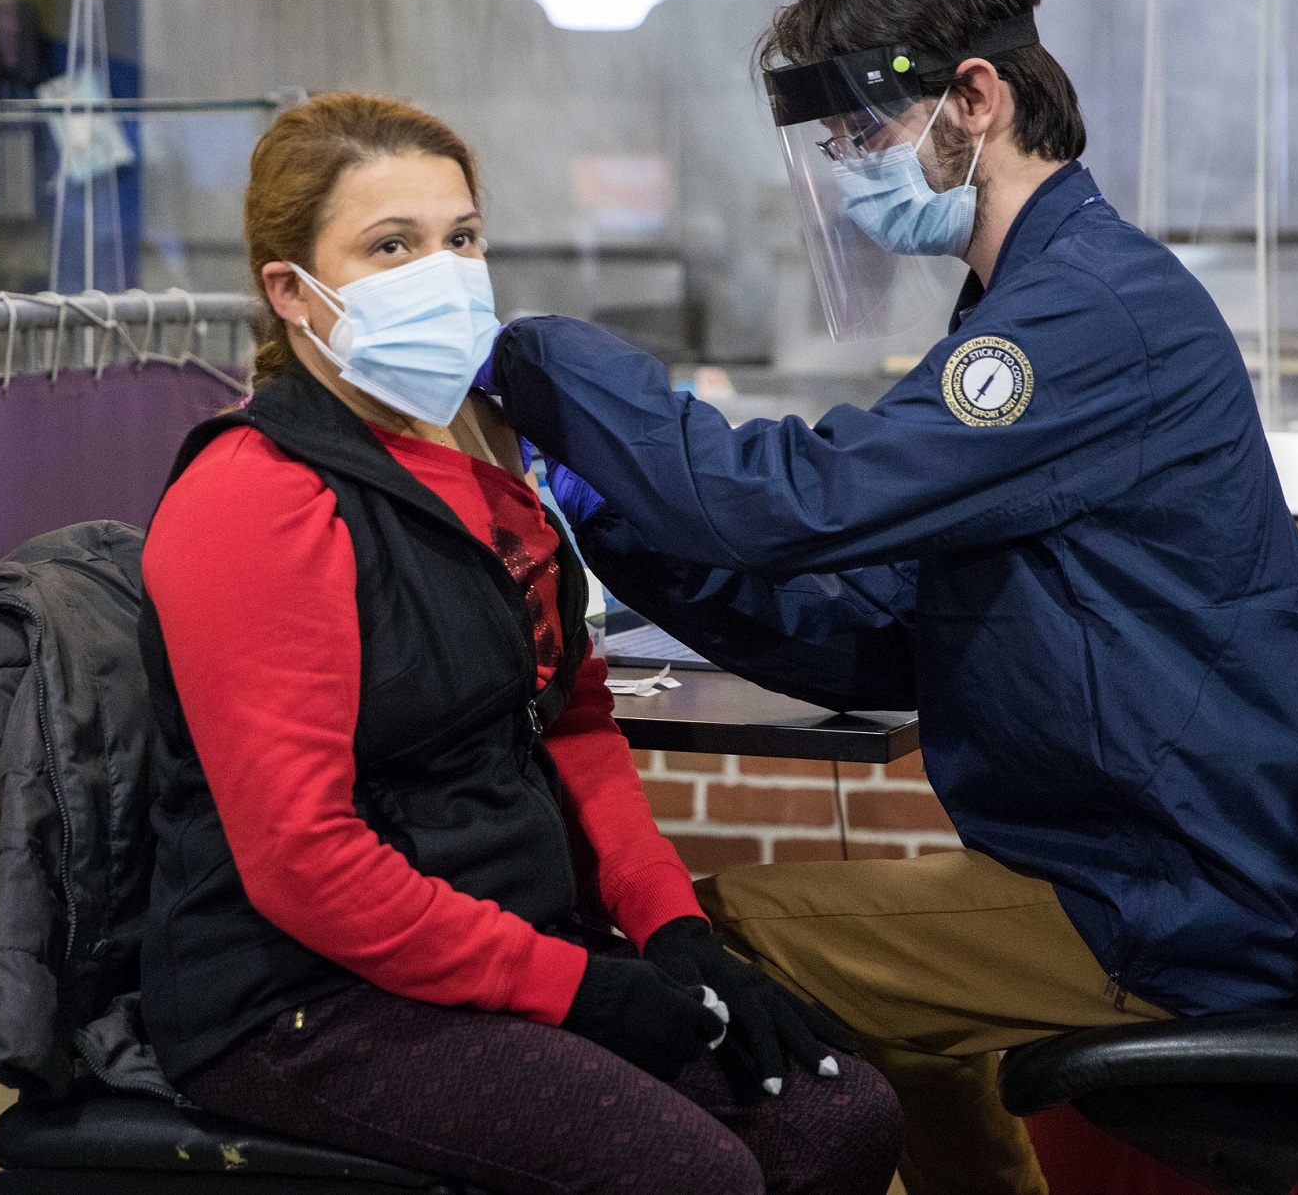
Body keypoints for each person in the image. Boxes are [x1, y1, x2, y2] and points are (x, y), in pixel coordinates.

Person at [480, 0, 1298, 1195]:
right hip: (1169, 863)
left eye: (864, 134)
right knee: (883, 1002)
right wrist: (617, 520)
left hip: (1188, 898)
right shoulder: (1033, 300)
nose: (853, 171)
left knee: (720, 945)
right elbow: (869, 628)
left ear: (974, 96)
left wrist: (536, 362)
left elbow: (796, 502)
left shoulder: (1079, 317)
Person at [135, 92, 903, 1195]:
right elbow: (306, 862)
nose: (441, 272)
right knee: (683, 1173)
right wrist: (579, 988)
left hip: (506, 943)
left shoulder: (489, 464)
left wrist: (670, 923)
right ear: (291, 292)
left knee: (838, 1116)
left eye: (459, 238)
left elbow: (575, 722)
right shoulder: (254, 500)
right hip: (305, 999)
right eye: (389, 245)